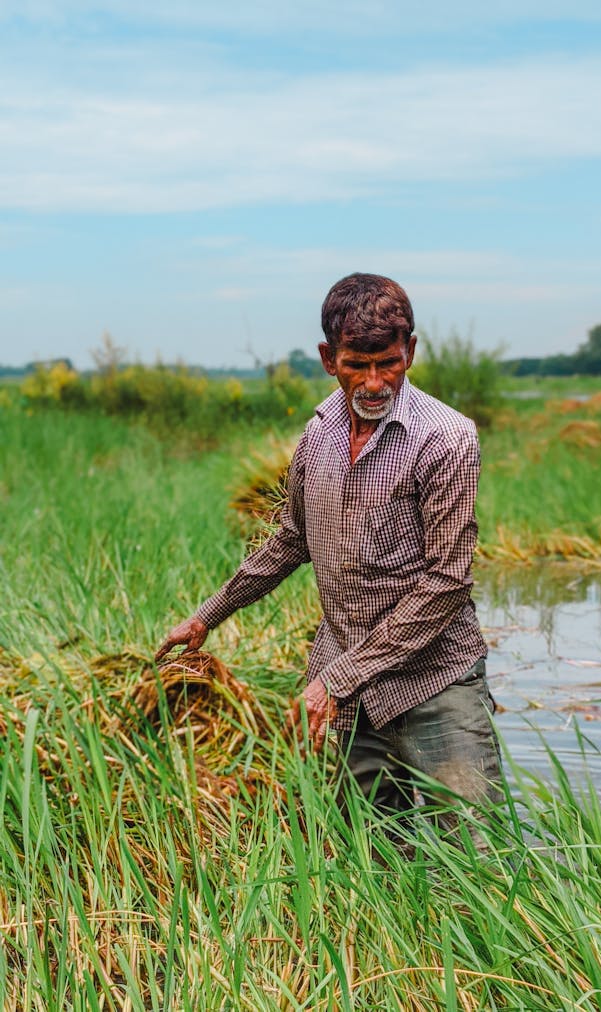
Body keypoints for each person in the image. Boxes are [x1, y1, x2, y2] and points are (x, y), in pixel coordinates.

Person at [156, 273, 502, 834]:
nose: (372, 382)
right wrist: (206, 617)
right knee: (371, 850)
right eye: (355, 365)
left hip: (435, 679)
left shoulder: (447, 438)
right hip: (350, 686)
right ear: (327, 358)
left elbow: (446, 582)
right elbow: (291, 539)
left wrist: (338, 680)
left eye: (387, 363)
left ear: (410, 351)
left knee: (473, 853)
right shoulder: (317, 436)